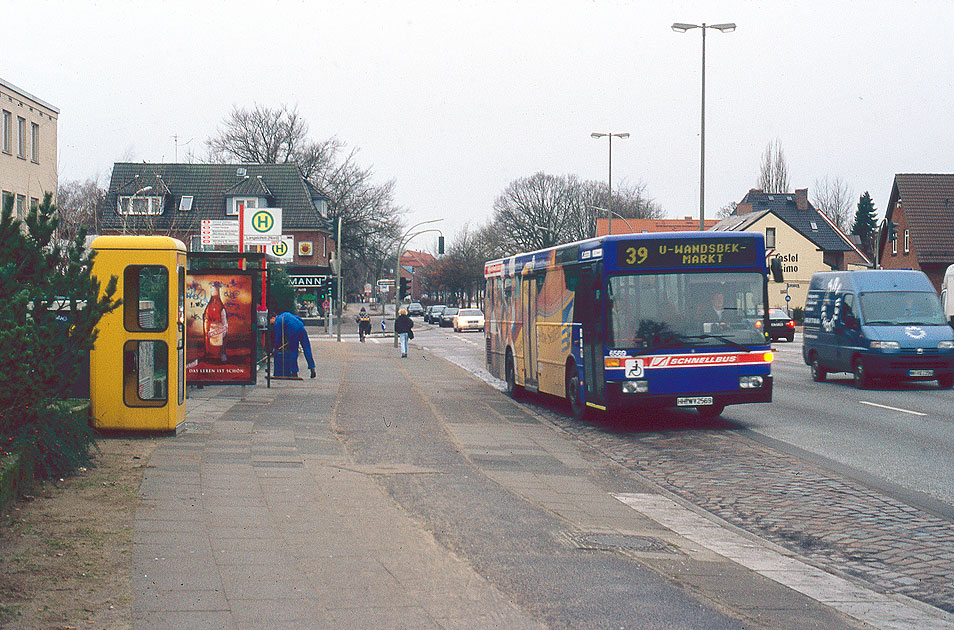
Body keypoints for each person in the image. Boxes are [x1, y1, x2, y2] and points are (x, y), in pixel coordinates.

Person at [270, 311, 316, 378]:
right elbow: (299, 319)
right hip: (301, 327)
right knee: (307, 348)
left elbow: (278, 336)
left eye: (270, 321)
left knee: (293, 351)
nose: (271, 323)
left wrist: (275, 347)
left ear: (273, 317)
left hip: (292, 331)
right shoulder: (286, 314)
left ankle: (294, 372)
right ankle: (312, 367)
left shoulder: (277, 322)